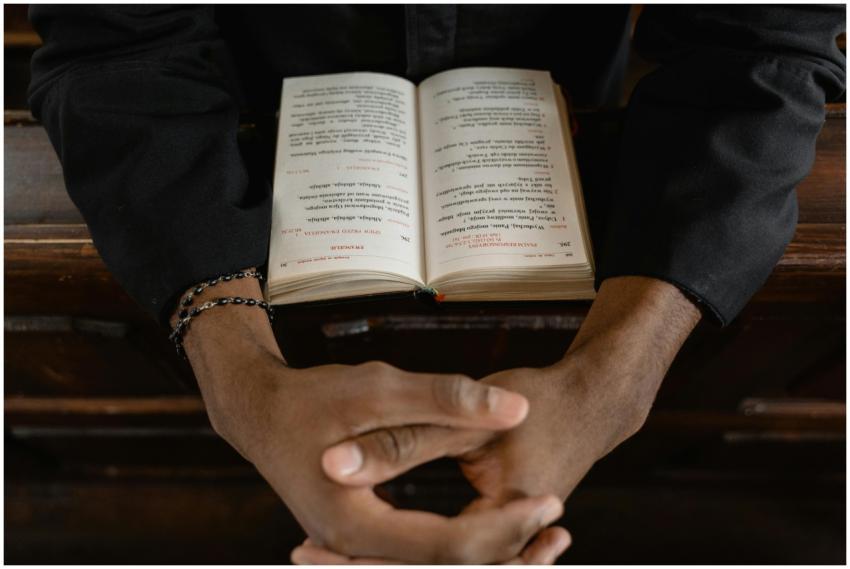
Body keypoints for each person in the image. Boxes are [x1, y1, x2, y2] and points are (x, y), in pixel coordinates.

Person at [28, 4, 845, 564]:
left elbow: (762, 43)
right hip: (235, 149)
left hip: (558, 140)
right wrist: (235, 369)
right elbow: (117, 44)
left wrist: (618, 372)